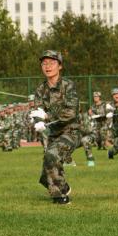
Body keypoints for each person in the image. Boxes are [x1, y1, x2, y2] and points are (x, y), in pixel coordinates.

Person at [31, 50, 79, 205]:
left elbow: (71, 112)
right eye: (44, 63)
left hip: (70, 131)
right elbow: (38, 110)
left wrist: (47, 117)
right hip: (51, 133)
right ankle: (62, 187)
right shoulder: (40, 90)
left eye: (52, 63)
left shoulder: (68, 86)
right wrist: (37, 120)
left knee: (52, 155)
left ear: (60, 66)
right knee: (48, 167)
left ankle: (59, 197)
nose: (47, 66)